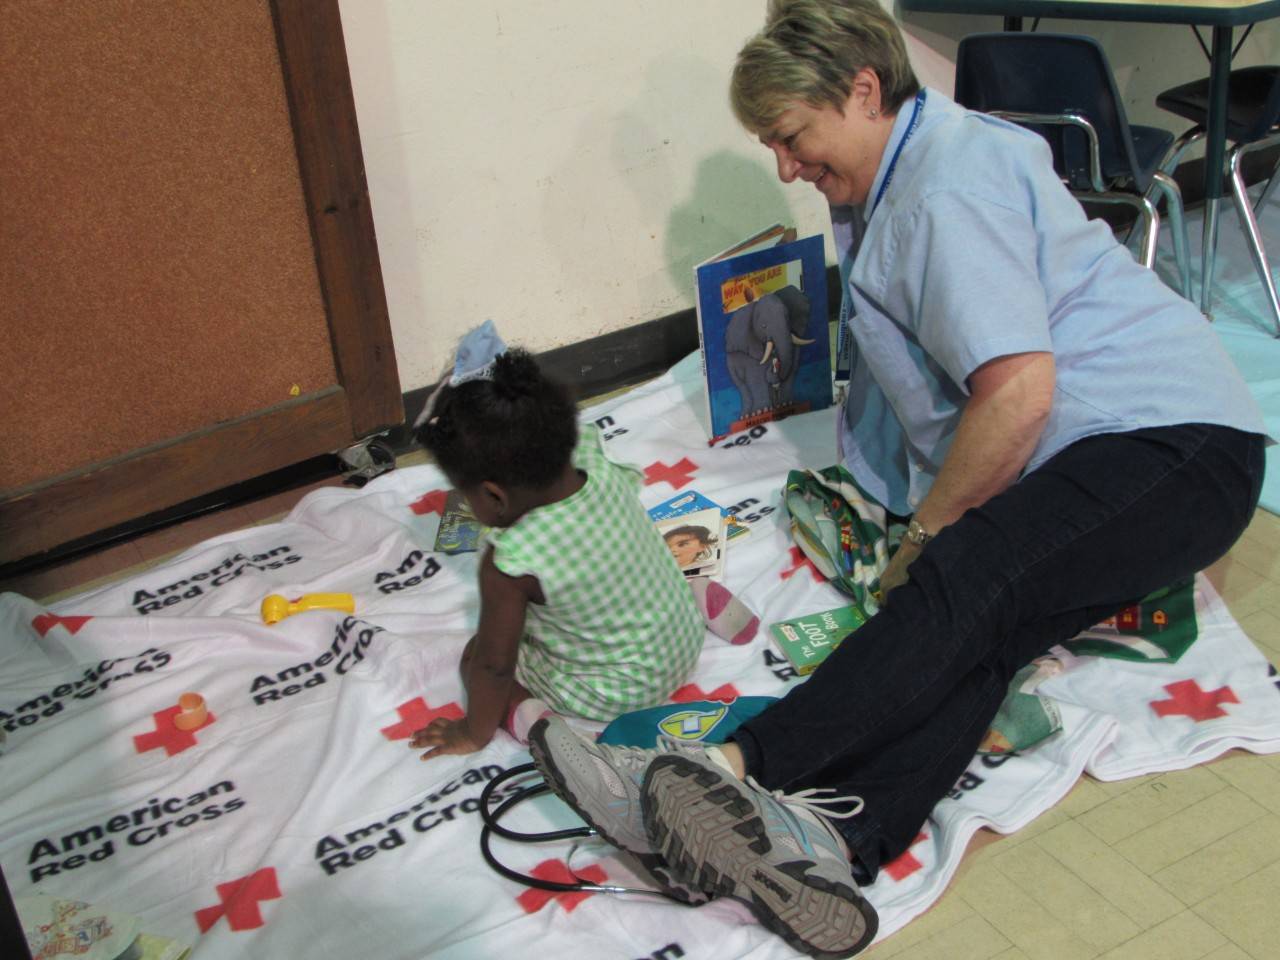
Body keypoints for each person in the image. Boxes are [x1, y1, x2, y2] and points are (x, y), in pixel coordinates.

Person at [527, 2, 1269, 957]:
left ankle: (724, 764)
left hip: (1177, 444)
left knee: (961, 572)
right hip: (1129, 452)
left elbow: (1018, 395)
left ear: (865, 90)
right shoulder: (902, 172)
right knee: (983, 629)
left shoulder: (943, 189)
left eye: (791, 139)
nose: (786, 169)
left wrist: (920, 541)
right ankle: (831, 838)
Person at [407, 347, 706, 761]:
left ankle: (527, 717)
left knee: (474, 656)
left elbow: (495, 667)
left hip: (616, 694)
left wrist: (472, 733)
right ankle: (704, 596)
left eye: (465, 493)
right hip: (682, 643)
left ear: (494, 495)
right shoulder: (592, 460)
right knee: (635, 570)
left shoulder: (511, 561)